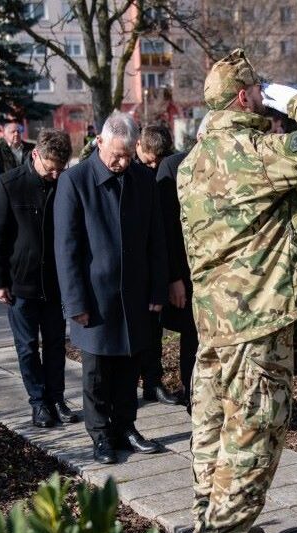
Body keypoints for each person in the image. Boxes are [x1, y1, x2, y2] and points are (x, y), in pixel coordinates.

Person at [177, 48, 297, 533]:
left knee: (211, 425)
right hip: (256, 319)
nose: (262, 97)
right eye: (258, 90)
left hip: (215, 322)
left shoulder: (194, 160)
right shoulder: (253, 152)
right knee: (255, 428)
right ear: (243, 96)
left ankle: (212, 522)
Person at [55, 111, 168, 465]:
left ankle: (126, 427)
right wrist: (75, 302)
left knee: (130, 365)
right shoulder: (75, 181)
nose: (120, 163)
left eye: (127, 155)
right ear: (99, 142)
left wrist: (157, 289)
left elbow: (156, 238)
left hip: (134, 292)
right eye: (114, 155)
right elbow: (67, 248)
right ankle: (101, 435)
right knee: (97, 372)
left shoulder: (142, 180)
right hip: (95, 297)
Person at [0, 129, 79, 428]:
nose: (54, 175)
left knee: (55, 345)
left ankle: (57, 398)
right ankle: (38, 403)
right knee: (27, 346)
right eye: (50, 168)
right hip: (20, 283)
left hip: (53, 283)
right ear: (36, 155)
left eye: (59, 170)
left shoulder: (63, 183)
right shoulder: (9, 184)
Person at [155, 117, 210, 412]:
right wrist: (174, 277)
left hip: (219, 274)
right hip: (187, 273)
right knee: (192, 336)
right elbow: (166, 230)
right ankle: (193, 397)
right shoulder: (173, 167)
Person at [134, 124, 182, 406]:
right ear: (138, 146)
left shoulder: (168, 170)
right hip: (134, 260)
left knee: (154, 328)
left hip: (156, 259)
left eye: (157, 161)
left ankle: (153, 381)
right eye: (148, 159)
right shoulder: (129, 167)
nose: (153, 165)